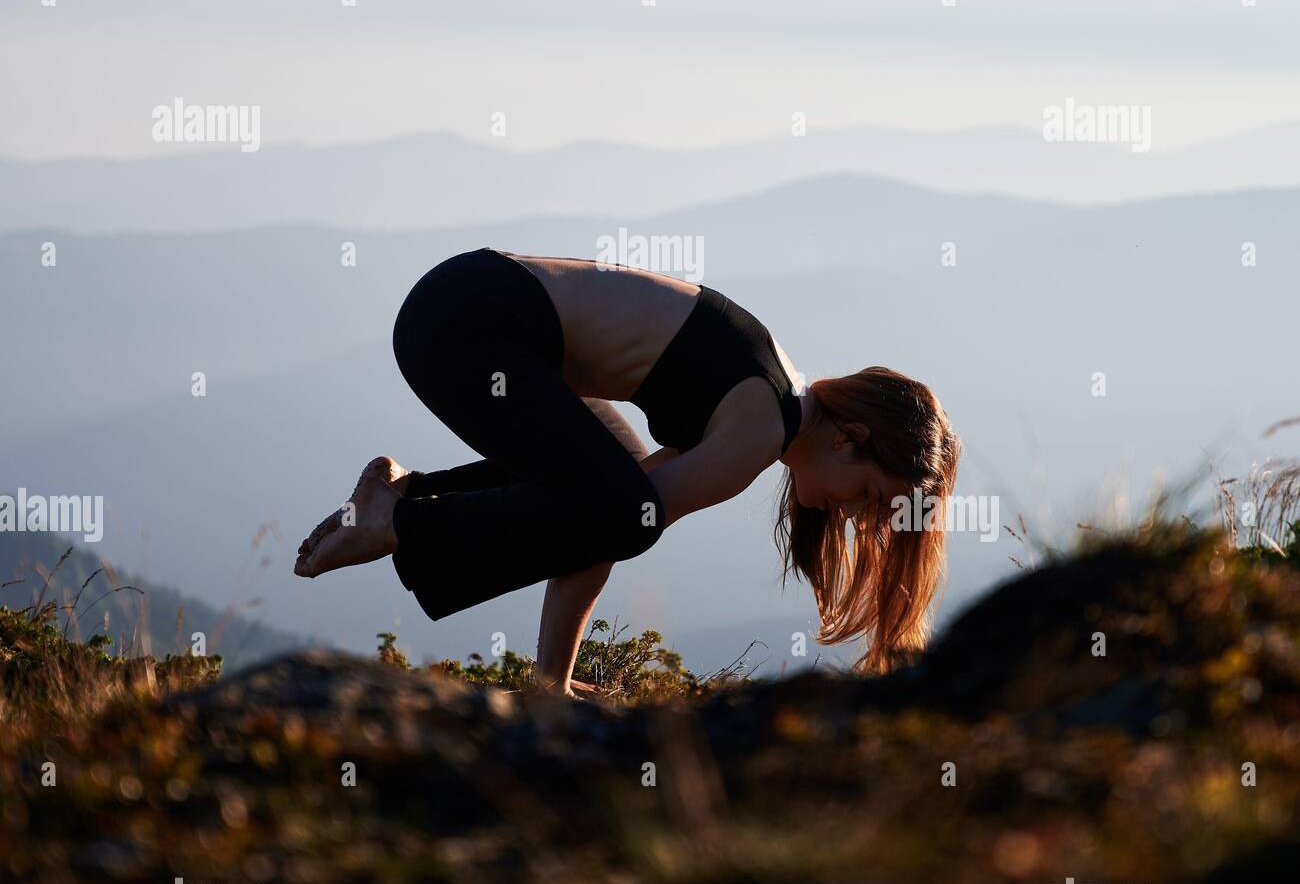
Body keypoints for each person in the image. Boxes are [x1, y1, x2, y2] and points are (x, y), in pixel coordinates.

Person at [295, 248, 959, 693]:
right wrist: (551, 687)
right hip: (470, 327)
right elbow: (607, 526)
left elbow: (592, 514)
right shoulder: (761, 431)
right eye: (870, 497)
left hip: (465, 305)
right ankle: (396, 519)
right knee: (622, 511)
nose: (851, 515)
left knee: (612, 491)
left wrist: (551, 681)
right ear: (851, 438)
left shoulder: (777, 395)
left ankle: (402, 495)